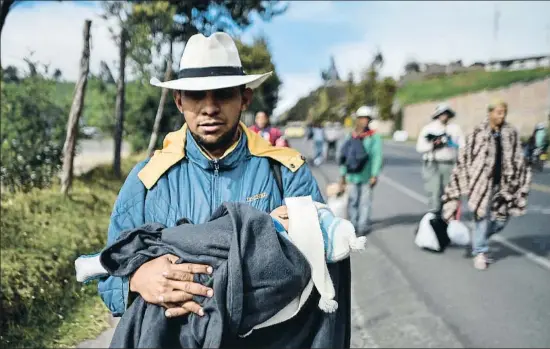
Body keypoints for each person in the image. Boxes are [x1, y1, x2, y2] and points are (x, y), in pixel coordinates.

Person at [96, 32, 350, 347]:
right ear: (179, 101)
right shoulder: (148, 180)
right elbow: (109, 269)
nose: (210, 108)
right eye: (196, 96)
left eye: (223, 94)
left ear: (244, 98)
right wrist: (136, 280)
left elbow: (322, 263)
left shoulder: (287, 173)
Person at [441, 99, 532, 270]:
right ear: (490, 112)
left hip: (504, 183)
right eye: (498, 112)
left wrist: (520, 178)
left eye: (504, 112)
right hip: (481, 183)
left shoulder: (510, 132)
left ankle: (478, 239)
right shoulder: (478, 132)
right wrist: (463, 181)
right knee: (481, 216)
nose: (501, 116)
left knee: (501, 219)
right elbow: (465, 158)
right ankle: (480, 252)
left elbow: (518, 157)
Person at [338, 106, 383, 236]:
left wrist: (374, 174)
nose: (364, 121)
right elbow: (344, 156)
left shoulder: (374, 137)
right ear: (357, 119)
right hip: (351, 176)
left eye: (366, 118)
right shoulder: (350, 136)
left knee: (365, 202)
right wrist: (342, 174)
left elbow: (377, 156)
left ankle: (362, 226)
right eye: (361, 118)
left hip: (366, 175)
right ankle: (352, 225)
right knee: (352, 201)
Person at [416, 103, 465, 215]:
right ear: (437, 115)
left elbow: (462, 146)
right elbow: (420, 147)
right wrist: (434, 145)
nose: (444, 116)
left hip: (449, 163)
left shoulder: (455, 129)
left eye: (446, 113)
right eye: (442, 114)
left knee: (450, 192)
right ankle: (434, 215)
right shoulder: (429, 129)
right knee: (434, 191)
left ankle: (448, 216)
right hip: (432, 163)